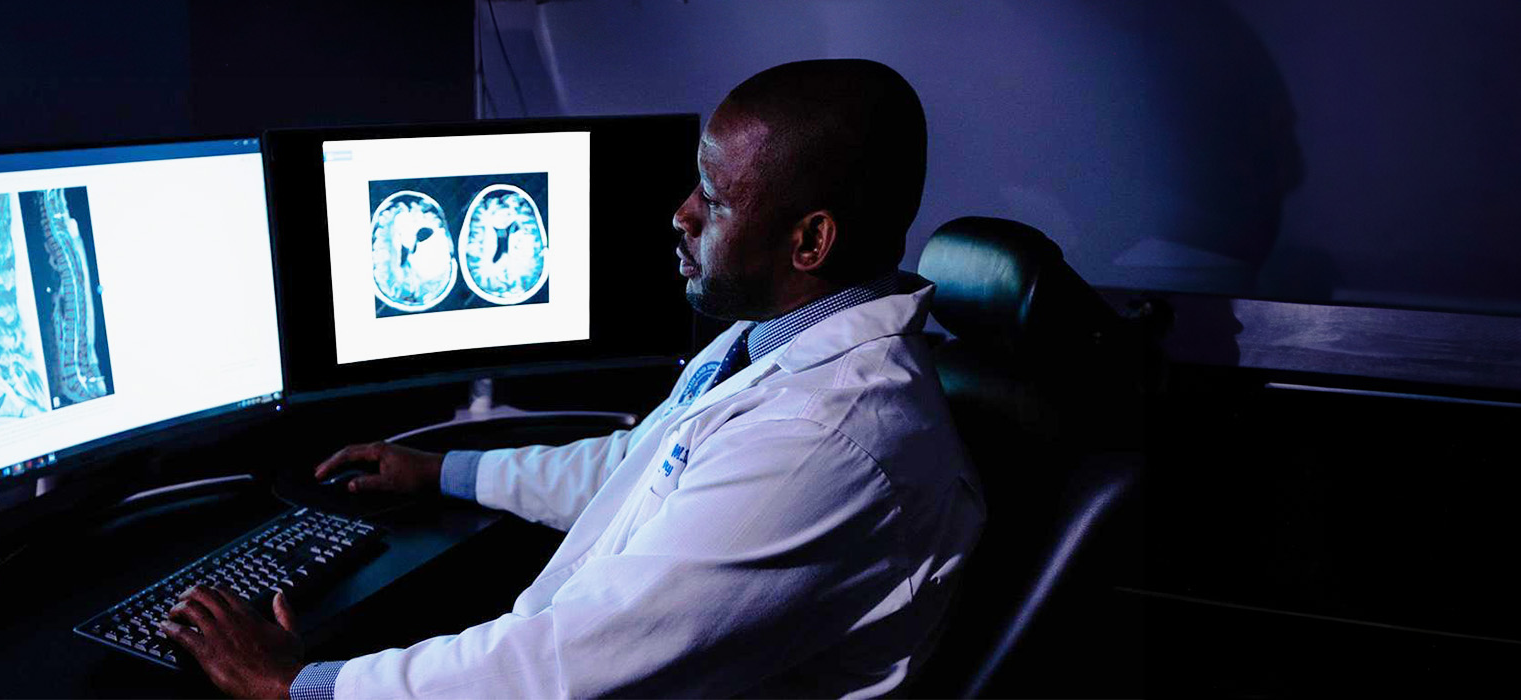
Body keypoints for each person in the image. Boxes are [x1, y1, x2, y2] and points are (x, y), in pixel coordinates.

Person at [163, 58, 986, 699]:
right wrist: (448, 469)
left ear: (810, 242)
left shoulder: (824, 441)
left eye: (716, 199)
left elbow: (563, 668)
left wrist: (296, 685)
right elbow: (644, 470)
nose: (682, 213)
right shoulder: (768, 343)